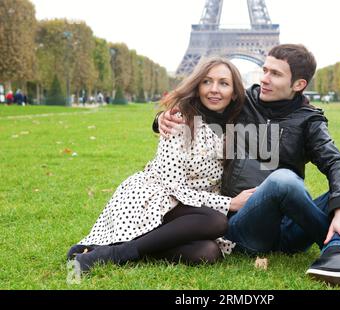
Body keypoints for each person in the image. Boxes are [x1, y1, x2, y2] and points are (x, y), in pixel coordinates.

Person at [156, 44, 340, 290]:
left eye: (276, 74)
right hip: (244, 223)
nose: (265, 79)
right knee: (283, 179)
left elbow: (336, 163)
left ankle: (335, 253)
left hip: (292, 228)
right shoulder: (242, 102)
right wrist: (163, 119)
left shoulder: (309, 121)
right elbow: (203, 103)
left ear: (298, 84)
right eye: (265, 70)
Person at [67, 58, 253, 272]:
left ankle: (129, 248)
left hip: (193, 212)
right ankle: (116, 253)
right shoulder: (180, 120)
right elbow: (172, 187)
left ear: (235, 92)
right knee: (217, 221)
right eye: (206, 82)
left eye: (223, 83)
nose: (214, 89)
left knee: (208, 252)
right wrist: (229, 204)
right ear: (197, 86)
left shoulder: (237, 125)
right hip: (157, 199)